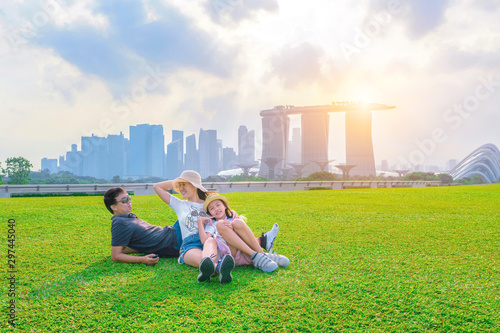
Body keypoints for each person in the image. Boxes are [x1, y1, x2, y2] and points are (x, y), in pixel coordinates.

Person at [153, 170, 281, 283]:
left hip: (214, 240)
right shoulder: (179, 204)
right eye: (179, 186)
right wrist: (178, 180)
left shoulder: (209, 204)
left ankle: (258, 253)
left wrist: (232, 213)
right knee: (206, 264)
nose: (180, 189)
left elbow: (223, 213)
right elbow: (157, 186)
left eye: (184, 185)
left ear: (194, 185)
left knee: (211, 243)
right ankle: (220, 269)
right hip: (190, 245)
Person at [199, 192, 290, 274]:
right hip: (230, 254)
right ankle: (257, 255)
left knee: (237, 223)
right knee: (220, 224)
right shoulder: (212, 224)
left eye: (218, 205)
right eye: (212, 208)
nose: (216, 209)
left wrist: (232, 227)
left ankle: (261, 255)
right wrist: (199, 222)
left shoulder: (234, 217)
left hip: (244, 252)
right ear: (210, 213)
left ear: (225, 206)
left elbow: (245, 235)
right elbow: (205, 240)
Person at [104, 187, 181, 266]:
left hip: (172, 233)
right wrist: (142, 259)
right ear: (114, 207)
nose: (129, 202)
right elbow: (115, 255)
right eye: (124, 200)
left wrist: (144, 248)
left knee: (190, 211)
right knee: (191, 211)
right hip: (173, 240)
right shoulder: (119, 223)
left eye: (129, 198)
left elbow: (124, 249)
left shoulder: (127, 217)